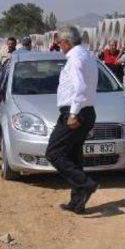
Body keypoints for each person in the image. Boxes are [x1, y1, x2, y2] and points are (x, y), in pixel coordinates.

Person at [45, 25, 99, 214]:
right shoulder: (87, 55)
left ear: (67, 42)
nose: (58, 45)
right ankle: (77, 202)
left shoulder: (76, 58)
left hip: (76, 112)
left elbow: (80, 87)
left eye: (59, 42)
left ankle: (85, 184)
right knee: (74, 157)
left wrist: (73, 113)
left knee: (54, 153)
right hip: (87, 110)